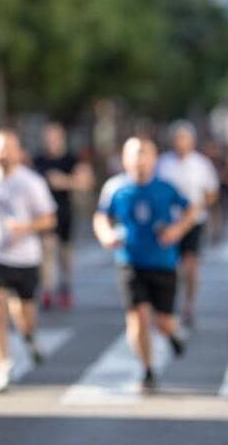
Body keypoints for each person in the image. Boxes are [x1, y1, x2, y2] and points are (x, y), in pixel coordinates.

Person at [93, 137, 194, 391]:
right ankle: (147, 369)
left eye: (144, 153)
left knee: (163, 322)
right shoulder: (115, 188)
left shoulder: (166, 187)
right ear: (124, 159)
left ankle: (172, 334)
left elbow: (191, 210)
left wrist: (177, 230)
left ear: (154, 158)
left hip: (163, 262)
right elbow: (101, 216)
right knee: (137, 317)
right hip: (130, 261)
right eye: (134, 154)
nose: (139, 159)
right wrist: (106, 235)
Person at [0, 129, 56, 392]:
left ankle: (28, 336)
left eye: (7, 149)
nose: (2, 154)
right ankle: (2, 365)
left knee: (23, 313)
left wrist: (26, 227)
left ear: (18, 152)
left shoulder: (31, 182)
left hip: (24, 258)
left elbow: (50, 217)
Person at [156, 121, 219, 329]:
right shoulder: (163, 164)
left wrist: (198, 208)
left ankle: (188, 306)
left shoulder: (201, 165)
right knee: (170, 266)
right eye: (177, 139)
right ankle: (169, 303)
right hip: (169, 221)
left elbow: (211, 193)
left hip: (193, 221)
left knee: (191, 265)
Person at [33, 122, 93, 310]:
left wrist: (63, 181)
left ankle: (65, 286)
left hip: (66, 211)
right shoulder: (39, 160)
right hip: (44, 213)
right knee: (47, 250)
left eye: (55, 138)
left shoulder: (71, 159)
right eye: (48, 138)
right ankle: (47, 290)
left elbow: (85, 182)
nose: (51, 142)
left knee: (65, 254)